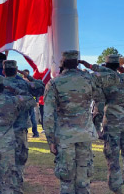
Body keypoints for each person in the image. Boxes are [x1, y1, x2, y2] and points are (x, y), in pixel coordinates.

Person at [44, 50, 103, 194]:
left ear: (62, 63)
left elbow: (48, 114)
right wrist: (95, 125)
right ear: (77, 63)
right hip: (85, 133)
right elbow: (100, 101)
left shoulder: (54, 83)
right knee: (83, 177)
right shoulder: (89, 80)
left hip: (65, 136)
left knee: (66, 177)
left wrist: (51, 140)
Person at [2, 60, 45, 187]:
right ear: (16, 71)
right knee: (19, 157)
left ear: (3, 71)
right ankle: (17, 183)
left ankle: (4, 182)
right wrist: (27, 76)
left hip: (2, 128)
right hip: (20, 127)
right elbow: (41, 88)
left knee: (4, 156)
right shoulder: (24, 84)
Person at [85, 54, 124, 193]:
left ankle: (116, 188)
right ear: (118, 66)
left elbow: (99, 105)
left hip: (113, 123)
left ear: (106, 66)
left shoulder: (103, 80)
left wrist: (95, 127)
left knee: (113, 157)